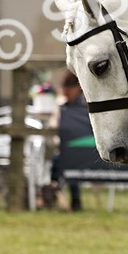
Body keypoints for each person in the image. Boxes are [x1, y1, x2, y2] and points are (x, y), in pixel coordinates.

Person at [49, 71, 86, 212]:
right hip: (65, 147)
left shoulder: (85, 105)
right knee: (58, 161)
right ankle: (54, 195)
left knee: (68, 162)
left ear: (79, 88)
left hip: (84, 149)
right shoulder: (61, 105)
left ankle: (73, 199)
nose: (67, 93)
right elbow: (53, 125)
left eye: (70, 89)